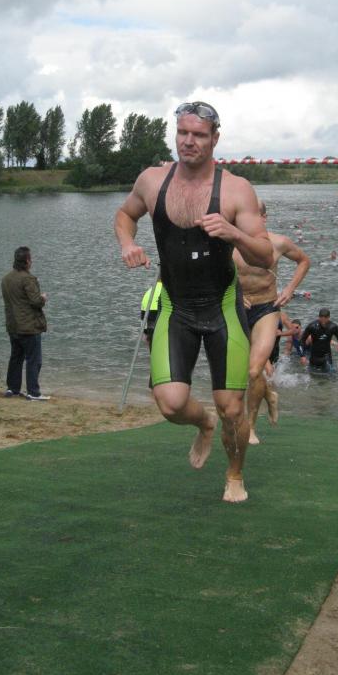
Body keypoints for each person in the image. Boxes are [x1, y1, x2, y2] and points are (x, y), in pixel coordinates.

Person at [114, 100, 272, 503]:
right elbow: (125, 214)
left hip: (222, 308)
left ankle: (234, 474)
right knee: (170, 404)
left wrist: (233, 233)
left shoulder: (236, 189)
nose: (189, 141)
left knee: (231, 407)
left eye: (199, 135)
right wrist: (128, 243)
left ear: (215, 138)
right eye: (183, 133)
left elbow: (265, 256)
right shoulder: (152, 181)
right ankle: (203, 425)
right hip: (175, 306)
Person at [234, 200, 310, 444]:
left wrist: (289, 288)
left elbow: (304, 261)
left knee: (254, 370)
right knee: (244, 371)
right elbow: (211, 273)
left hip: (267, 309)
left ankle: (250, 426)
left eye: (254, 216)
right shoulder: (229, 244)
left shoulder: (278, 242)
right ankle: (269, 394)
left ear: (264, 218)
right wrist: (234, 292)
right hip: (236, 309)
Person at [1, 246, 50, 401]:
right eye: (30, 258)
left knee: (16, 357)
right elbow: (36, 302)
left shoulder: (6, 279)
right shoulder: (28, 279)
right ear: (27, 261)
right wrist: (43, 298)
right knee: (34, 359)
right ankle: (33, 392)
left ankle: (12, 389)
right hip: (29, 327)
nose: (31, 261)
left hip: (13, 325)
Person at [140, 280, 163, 345]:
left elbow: (143, 327)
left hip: (149, 323)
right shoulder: (169, 291)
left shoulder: (148, 293)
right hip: (162, 318)